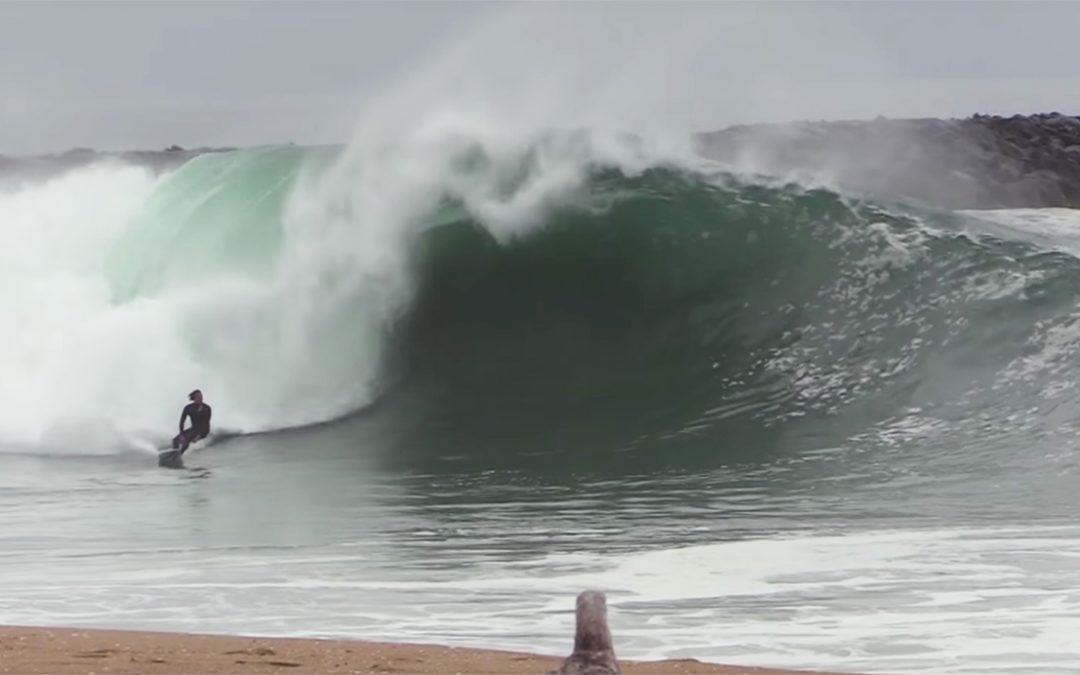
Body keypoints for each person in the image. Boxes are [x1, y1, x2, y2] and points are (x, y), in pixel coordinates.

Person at [173, 389, 212, 453]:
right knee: (175, 440)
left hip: (203, 431)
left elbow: (206, 425)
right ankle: (174, 454)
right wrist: (181, 434)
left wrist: (199, 436)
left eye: (201, 397)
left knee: (186, 440)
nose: (201, 398)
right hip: (193, 429)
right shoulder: (188, 408)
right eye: (198, 397)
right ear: (194, 398)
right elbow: (182, 422)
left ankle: (179, 454)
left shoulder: (207, 408)